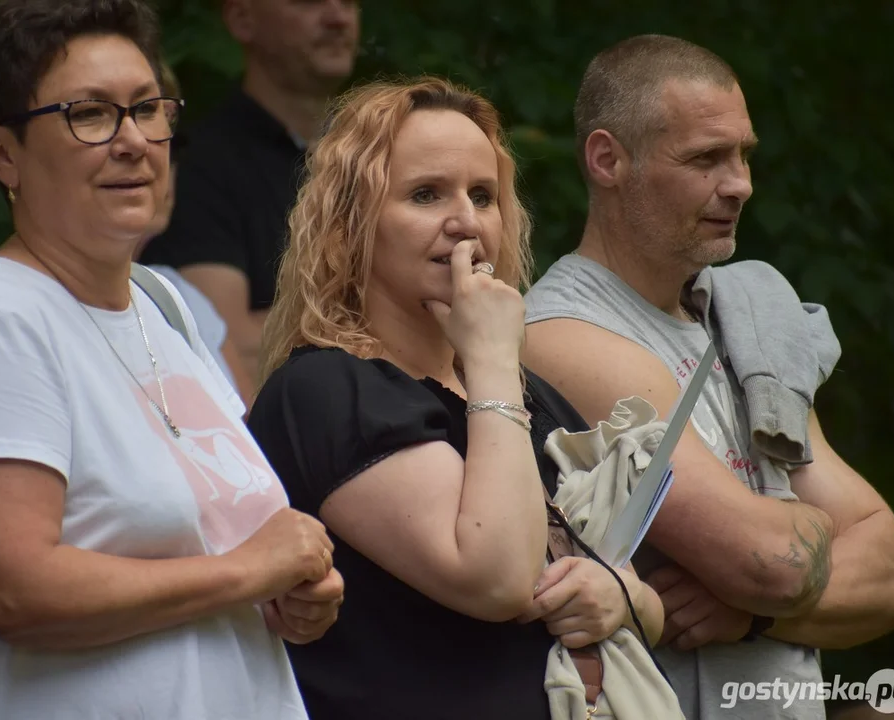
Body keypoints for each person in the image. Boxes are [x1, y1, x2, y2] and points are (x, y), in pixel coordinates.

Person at [0, 1, 343, 718]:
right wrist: (245, 573)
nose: (134, 140)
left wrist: (290, 595)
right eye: (90, 113)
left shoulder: (164, 308)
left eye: (148, 108)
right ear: (2, 153)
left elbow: (230, 555)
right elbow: (11, 589)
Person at [246, 76, 666, 720]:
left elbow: (645, 588)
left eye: (483, 196)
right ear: (350, 225)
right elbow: (495, 578)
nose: (465, 222)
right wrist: (495, 361)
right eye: (425, 195)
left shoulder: (529, 394)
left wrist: (620, 598)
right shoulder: (326, 388)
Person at [521, 34, 894, 720]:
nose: (739, 184)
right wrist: (797, 544)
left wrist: (752, 617)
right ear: (608, 159)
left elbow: (893, 578)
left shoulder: (743, 320)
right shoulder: (563, 334)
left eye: (742, 155)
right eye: (705, 158)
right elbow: (770, 563)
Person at [139, 0, 360, 399]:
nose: (337, 17)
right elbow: (229, 347)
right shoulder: (197, 163)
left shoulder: (375, 161)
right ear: (242, 19)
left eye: (349, 2)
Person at [135, 62, 253, 404]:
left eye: (169, 141)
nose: (157, 157)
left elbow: (252, 443)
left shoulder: (178, 293)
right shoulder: (3, 311)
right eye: (93, 116)